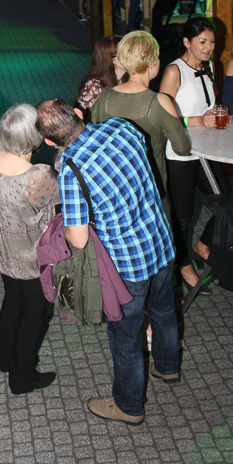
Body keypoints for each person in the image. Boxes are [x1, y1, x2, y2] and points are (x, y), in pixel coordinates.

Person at [36, 99, 179, 424]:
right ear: (78, 113)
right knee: (164, 310)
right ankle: (168, 367)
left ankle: (129, 405)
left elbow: (78, 239)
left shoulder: (72, 170)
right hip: (160, 240)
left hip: (128, 265)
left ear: (49, 141)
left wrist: (63, 228)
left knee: (125, 336)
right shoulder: (121, 127)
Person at [0, 104, 59, 395]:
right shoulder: (37, 175)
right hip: (31, 260)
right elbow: (59, 203)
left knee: (12, 300)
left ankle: (5, 358)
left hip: (1, 251)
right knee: (33, 315)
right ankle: (22, 378)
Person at [159, 17, 230, 290]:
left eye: (212, 42)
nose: (209, 47)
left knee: (226, 202)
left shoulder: (208, 67)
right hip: (180, 153)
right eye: (203, 42)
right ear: (187, 42)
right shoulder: (174, 71)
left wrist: (217, 116)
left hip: (205, 151)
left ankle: (203, 245)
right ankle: (183, 265)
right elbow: (163, 116)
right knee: (182, 215)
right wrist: (197, 120)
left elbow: (208, 107)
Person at [91, 31, 190, 210]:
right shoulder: (159, 102)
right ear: (151, 63)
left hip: (114, 188)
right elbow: (182, 149)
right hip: (150, 191)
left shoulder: (104, 96)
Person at [76, 35, 126, 121]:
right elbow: (80, 120)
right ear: (110, 59)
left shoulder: (127, 79)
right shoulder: (94, 87)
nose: (132, 57)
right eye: (125, 54)